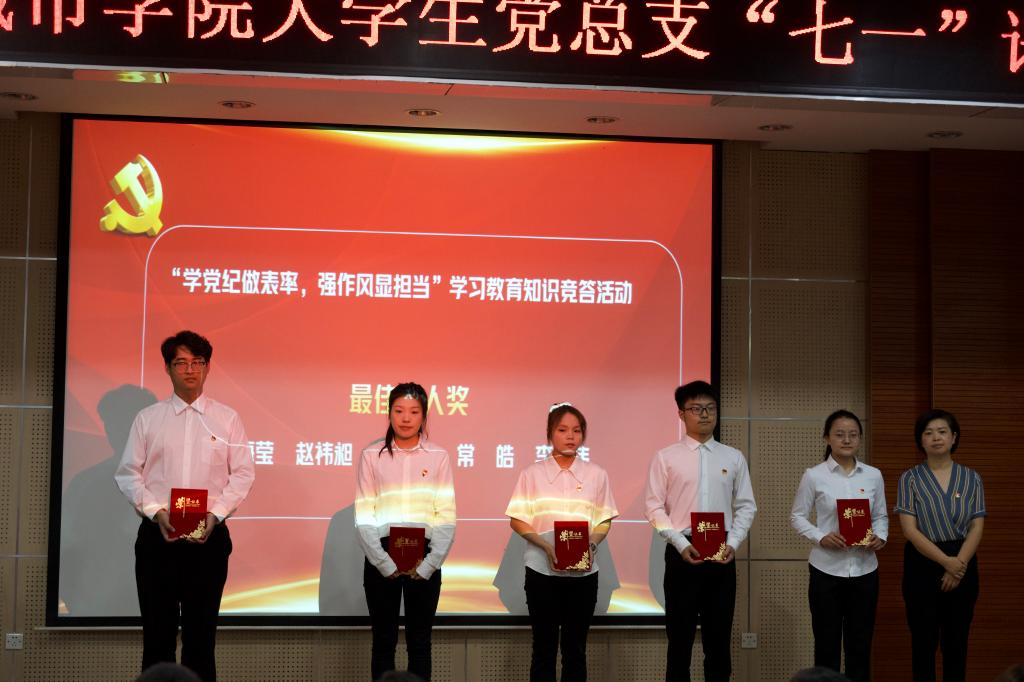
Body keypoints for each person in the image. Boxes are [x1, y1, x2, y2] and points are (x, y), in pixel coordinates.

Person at [115, 330, 256, 682]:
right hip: (158, 538)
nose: (190, 369)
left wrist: (215, 515)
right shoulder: (148, 419)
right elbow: (128, 473)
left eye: (197, 362)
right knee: (157, 638)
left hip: (209, 540)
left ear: (208, 367)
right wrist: (156, 511)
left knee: (201, 640)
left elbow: (243, 473)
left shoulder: (228, 419)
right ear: (167, 368)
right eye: (181, 363)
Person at [644, 380, 756, 682]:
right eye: (696, 408)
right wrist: (680, 544)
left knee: (718, 641)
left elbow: (747, 506)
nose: (704, 414)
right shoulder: (666, 457)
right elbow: (653, 508)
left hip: (722, 553)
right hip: (682, 552)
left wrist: (733, 543)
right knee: (679, 640)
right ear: (681, 414)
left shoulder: (733, 457)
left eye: (710, 408)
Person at [505, 402, 618, 682]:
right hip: (541, 571)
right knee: (543, 649)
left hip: (584, 575)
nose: (570, 436)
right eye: (563, 430)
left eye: (577, 431)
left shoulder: (596, 474)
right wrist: (544, 546)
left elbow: (604, 519)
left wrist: (591, 545)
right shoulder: (532, 474)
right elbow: (517, 519)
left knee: (575, 650)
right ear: (550, 433)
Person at [355, 382, 456, 682]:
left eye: (414, 411)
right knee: (383, 642)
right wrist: (383, 562)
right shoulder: (371, 455)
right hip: (381, 555)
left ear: (424, 415)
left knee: (420, 643)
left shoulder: (438, 456)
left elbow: (445, 515)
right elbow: (365, 514)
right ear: (389, 413)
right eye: (399, 411)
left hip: (424, 556)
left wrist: (429, 564)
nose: (406, 418)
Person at [790, 410, 888, 682]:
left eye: (853, 435)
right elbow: (797, 516)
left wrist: (880, 536)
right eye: (840, 434)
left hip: (865, 570)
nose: (847, 440)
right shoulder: (814, 475)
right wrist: (820, 536)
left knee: (860, 646)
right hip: (826, 571)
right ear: (827, 438)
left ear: (860, 439)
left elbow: (880, 515)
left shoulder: (873, 475)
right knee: (826, 645)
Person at [897, 409, 985, 682]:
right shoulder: (910, 478)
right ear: (921, 440)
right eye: (928, 433)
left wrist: (958, 565)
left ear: (954, 437)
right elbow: (909, 530)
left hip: (963, 561)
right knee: (922, 644)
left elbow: (976, 527)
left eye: (942, 432)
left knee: (956, 643)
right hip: (922, 563)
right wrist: (947, 563)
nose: (936, 438)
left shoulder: (972, 478)